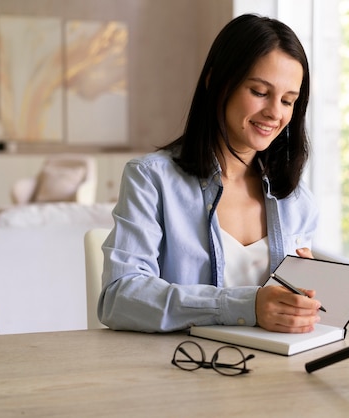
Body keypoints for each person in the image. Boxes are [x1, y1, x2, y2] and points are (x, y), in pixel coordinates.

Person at [98, 14, 322, 333]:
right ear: (216, 82)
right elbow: (119, 298)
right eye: (260, 92)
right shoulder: (151, 179)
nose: (275, 112)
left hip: (272, 373)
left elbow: (289, 310)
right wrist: (246, 306)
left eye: (288, 100)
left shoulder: (297, 200)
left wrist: (303, 302)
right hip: (182, 370)